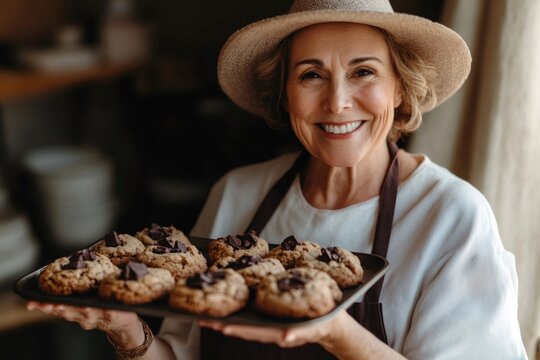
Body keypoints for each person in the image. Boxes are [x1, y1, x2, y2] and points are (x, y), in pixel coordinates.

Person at [27, 0, 528, 359]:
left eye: (364, 73)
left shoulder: (451, 217)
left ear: (400, 88)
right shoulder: (237, 194)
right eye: (311, 75)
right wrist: (126, 329)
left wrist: (336, 332)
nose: (336, 102)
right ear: (285, 94)